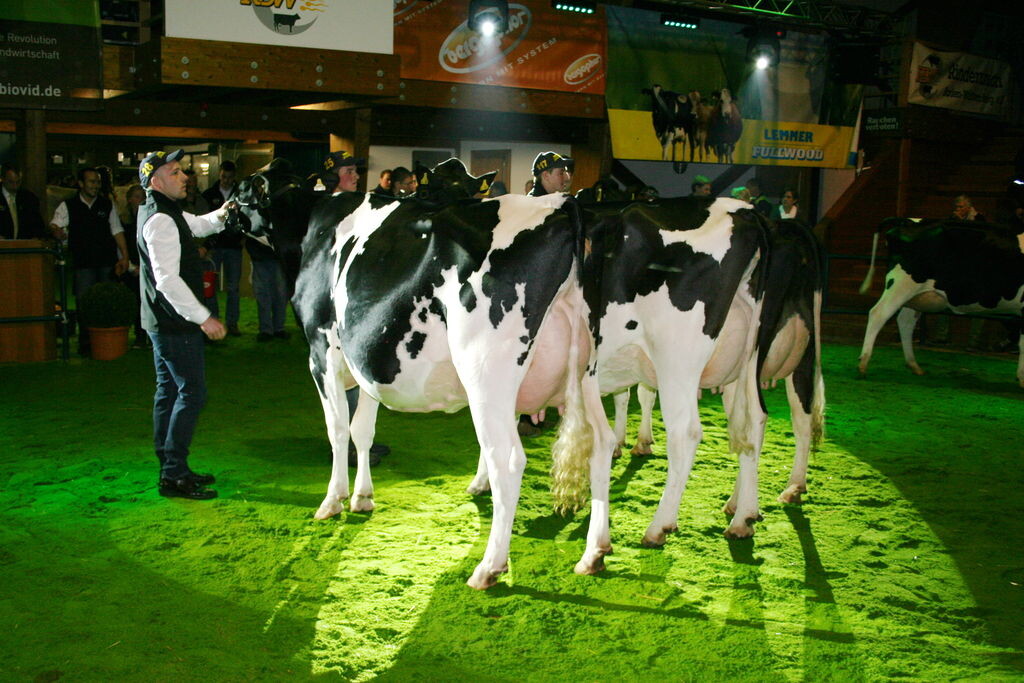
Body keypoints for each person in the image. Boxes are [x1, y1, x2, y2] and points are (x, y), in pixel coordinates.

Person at [136, 148, 235, 500]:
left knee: (169, 392)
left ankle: (170, 467)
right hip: (174, 323)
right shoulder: (161, 219)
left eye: (182, 171)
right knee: (191, 393)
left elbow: (198, 224)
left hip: (161, 320)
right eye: (175, 172)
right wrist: (204, 318)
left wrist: (225, 212)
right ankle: (174, 473)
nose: (184, 177)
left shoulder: (162, 211)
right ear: (156, 180)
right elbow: (168, 281)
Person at [50, 167, 131, 356]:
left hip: (106, 262)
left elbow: (117, 230)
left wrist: (125, 256)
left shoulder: (107, 204)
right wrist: (57, 232)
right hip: (83, 263)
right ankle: (86, 344)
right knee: (84, 303)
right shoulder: (68, 205)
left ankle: (108, 343)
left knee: (107, 301)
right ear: (81, 184)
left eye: (97, 182)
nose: (95, 185)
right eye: (91, 181)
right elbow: (55, 225)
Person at [201, 161, 242, 336]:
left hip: (234, 246)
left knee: (233, 287)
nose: (226, 180)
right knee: (211, 286)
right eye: (224, 176)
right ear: (219, 174)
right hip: (214, 247)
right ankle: (214, 320)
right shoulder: (209, 194)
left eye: (230, 177)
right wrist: (207, 244)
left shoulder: (239, 194)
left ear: (234, 177)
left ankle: (232, 323)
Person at [119, 183, 149, 348]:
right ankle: (139, 335)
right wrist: (131, 267)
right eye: (137, 197)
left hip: (147, 268)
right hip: (131, 268)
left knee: (148, 303)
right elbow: (120, 245)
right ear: (129, 199)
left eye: (143, 197)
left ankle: (149, 335)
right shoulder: (123, 221)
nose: (141, 200)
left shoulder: (150, 219)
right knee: (136, 302)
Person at [247, 236, 289, 342]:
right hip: (260, 257)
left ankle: (275, 328)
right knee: (265, 295)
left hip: (275, 257)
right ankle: (269, 329)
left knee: (279, 295)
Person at [0, 163, 47, 240]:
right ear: (2, 179)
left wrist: (36, 237)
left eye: (18, 182)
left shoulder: (29, 198)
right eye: (11, 182)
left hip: (24, 245)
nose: (15, 186)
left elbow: (38, 225)